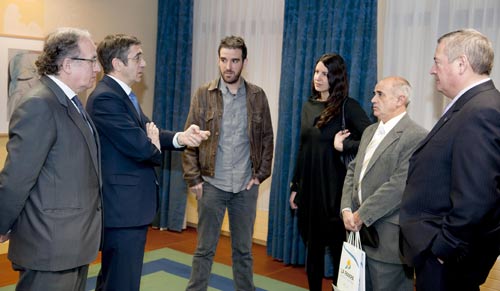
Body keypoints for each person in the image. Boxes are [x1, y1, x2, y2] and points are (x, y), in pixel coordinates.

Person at [86, 34, 210, 291]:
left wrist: (181, 137)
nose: (143, 63)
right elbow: (142, 146)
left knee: (116, 279)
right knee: (121, 282)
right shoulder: (106, 98)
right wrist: (151, 143)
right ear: (118, 64)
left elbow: (150, 131)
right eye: (137, 57)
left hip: (128, 207)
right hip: (122, 209)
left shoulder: (121, 95)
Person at [0, 27, 101, 291]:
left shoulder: (72, 103)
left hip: (73, 242)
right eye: (92, 60)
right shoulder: (39, 104)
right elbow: (17, 177)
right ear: (67, 64)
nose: (97, 68)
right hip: (50, 245)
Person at [400, 28, 500, 291]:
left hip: (448, 260)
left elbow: (477, 197)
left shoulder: (482, 111)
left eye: (437, 61)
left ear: (461, 64)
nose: (432, 70)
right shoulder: (470, 104)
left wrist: (443, 249)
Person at [182, 35, 274, 291]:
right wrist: (194, 178)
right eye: (223, 60)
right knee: (204, 250)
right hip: (211, 185)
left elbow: (267, 138)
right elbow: (189, 138)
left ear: (244, 62)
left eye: (234, 60)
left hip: (245, 188)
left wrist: (261, 175)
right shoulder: (203, 94)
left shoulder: (257, 96)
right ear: (218, 60)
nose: (228, 66)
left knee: (243, 252)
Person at [289, 53, 372, 290]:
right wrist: (296, 186)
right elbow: (303, 149)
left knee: (338, 254)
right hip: (311, 192)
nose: (318, 77)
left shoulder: (348, 106)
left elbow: (373, 139)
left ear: (336, 77)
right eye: (316, 72)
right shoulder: (308, 106)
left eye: (325, 73)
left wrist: (344, 145)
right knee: (312, 251)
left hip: (337, 194)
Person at [340, 76, 428, 291]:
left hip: (387, 241)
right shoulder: (370, 131)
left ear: (400, 99)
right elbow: (353, 171)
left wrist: (360, 215)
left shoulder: (416, 136)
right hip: (357, 235)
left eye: (380, 94)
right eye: (374, 93)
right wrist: (346, 209)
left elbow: (398, 186)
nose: (372, 99)